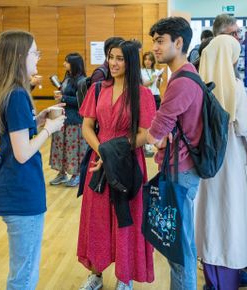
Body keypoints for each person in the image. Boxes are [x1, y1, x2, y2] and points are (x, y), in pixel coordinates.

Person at [0, 30, 65, 290]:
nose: (37, 58)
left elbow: (11, 133)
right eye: (34, 52)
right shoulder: (16, 94)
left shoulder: (1, 90)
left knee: (22, 268)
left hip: (6, 188)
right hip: (21, 193)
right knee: (25, 274)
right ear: (19, 56)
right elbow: (22, 152)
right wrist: (49, 129)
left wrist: (36, 120)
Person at [77, 40, 156, 290]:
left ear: (130, 61)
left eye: (120, 58)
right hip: (98, 162)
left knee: (127, 219)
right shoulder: (98, 88)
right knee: (97, 220)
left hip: (128, 162)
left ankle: (125, 276)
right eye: (111, 57)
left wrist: (113, 151)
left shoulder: (142, 94)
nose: (113, 63)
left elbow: (145, 133)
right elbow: (87, 126)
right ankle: (96, 274)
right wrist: (103, 150)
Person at [146, 17, 204, 290]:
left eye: (160, 41)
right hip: (182, 168)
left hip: (180, 170)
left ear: (178, 42)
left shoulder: (181, 82)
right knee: (179, 245)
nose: (155, 47)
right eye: (154, 41)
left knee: (179, 250)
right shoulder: (185, 74)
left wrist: (155, 137)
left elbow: (154, 135)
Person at [195, 35, 247, 290]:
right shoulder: (236, 88)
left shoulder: (198, 87)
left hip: (205, 165)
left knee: (208, 217)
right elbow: (245, 127)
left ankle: (211, 276)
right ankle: (230, 275)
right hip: (231, 163)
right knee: (231, 218)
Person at [49, 53, 87, 187]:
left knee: (74, 149)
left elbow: (81, 102)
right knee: (60, 147)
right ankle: (62, 173)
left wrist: (63, 98)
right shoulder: (67, 77)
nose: (64, 64)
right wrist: (60, 94)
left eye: (67, 62)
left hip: (74, 120)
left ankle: (77, 174)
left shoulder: (82, 80)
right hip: (62, 118)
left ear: (74, 64)